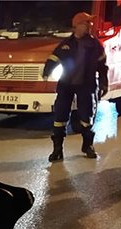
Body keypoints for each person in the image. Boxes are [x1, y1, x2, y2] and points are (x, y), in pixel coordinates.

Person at [42, 12, 108, 162]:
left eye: (90, 23)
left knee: (87, 116)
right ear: (77, 26)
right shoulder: (66, 44)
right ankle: (57, 149)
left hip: (86, 85)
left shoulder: (95, 45)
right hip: (66, 85)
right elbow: (54, 58)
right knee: (60, 116)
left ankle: (88, 146)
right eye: (87, 23)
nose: (90, 25)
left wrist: (104, 83)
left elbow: (102, 66)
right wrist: (47, 71)